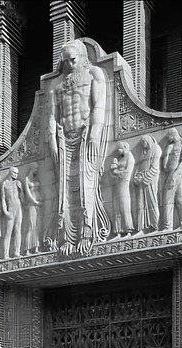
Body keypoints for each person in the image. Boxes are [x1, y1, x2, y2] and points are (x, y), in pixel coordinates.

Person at [47, 39, 109, 255]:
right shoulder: (57, 85)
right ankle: (66, 237)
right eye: (65, 62)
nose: (69, 65)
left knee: (85, 185)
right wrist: (52, 141)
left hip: (85, 135)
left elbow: (99, 105)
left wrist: (94, 132)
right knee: (65, 190)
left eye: (73, 60)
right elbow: (52, 118)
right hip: (64, 139)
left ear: (83, 57)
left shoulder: (95, 74)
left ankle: (87, 232)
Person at [160, 128, 182, 230]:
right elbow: (164, 166)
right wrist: (167, 154)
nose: (169, 139)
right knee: (179, 199)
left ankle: (168, 226)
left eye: (170, 136)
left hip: (175, 174)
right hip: (170, 173)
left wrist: (176, 174)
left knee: (167, 199)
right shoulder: (170, 146)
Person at [132, 135, 161, 233]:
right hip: (141, 181)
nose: (143, 144)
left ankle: (156, 225)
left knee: (152, 202)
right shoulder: (143, 153)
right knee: (140, 205)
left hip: (150, 180)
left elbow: (154, 168)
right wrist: (136, 178)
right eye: (142, 143)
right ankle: (141, 228)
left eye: (144, 142)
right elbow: (138, 167)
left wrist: (144, 178)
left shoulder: (156, 149)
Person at [109, 141, 135, 238]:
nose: (119, 151)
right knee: (117, 207)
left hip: (124, 183)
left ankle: (128, 229)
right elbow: (112, 175)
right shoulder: (120, 159)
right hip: (117, 184)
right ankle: (118, 231)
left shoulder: (129, 156)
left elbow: (128, 171)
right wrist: (113, 169)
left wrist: (116, 172)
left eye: (120, 148)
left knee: (124, 205)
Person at [1, 167, 24, 259]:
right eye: (14, 173)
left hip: (18, 208)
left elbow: (22, 198)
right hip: (10, 208)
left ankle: (16, 251)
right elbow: (3, 199)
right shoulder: (4, 184)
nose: (16, 175)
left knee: (18, 231)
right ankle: (5, 253)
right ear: (10, 173)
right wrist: (5, 211)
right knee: (8, 232)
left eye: (17, 173)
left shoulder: (18, 183)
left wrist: (21, 190)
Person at [22, 169, 41, 255]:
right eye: (35, 169)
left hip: (38, 206)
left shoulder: (35, 179)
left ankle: (36, 247)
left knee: (36, 227)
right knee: (31, 226)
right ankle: (27, 249)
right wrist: (35, 202)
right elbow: (28, 193)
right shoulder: (26, 180)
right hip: (32, 205)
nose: (36, 171)